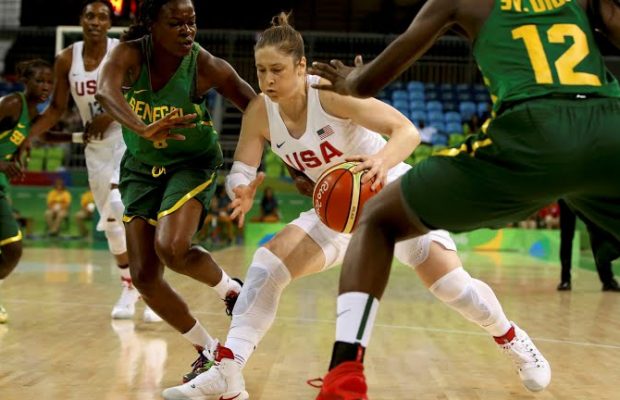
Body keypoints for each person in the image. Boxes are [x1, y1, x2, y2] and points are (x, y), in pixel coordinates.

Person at [162, 13, 549, 400]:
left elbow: (406, 131)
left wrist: (381, 162)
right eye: (261, 70)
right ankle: (228, 372)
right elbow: (242, 168)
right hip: (337, 213)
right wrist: (241, 187)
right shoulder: (260, 112)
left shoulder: (329, 95)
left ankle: (513, 338)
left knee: (452, 287)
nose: (268, 80)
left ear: (300, 66)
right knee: (266, 267)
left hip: (391, 197)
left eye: (277, 70)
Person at [307, 0, 620, 397]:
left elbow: (367, 85)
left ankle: (344, 378)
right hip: (610, 125)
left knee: (379, 217)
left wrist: (351, 78)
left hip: (533, 129)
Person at [95, 0, 256, 373]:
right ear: (152, 24)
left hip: (191, 162)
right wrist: (142, 127)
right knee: (144, 277)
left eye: (192, 22)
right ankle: (211, 348)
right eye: (176, 23)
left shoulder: (204, 65)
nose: (187, 30)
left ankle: (228, 290)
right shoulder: (129, 54)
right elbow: (105, 91)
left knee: (171, 247)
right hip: (140, 166)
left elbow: (256, 106)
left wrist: (258, 164)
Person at [28, 0, 159, 321]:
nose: (96, 21)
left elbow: (140, 93)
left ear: (109, 23)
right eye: (90, 15)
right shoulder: (66, 59)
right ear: (81, 20)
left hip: (128, 138)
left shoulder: (122, 51)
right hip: (94, 148)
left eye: (102, 16)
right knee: (112, 225)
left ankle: (153, 284)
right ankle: (131, 286)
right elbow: (57, 108)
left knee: (121, 204)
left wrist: (109, 114)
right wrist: (28, 137)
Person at [0, 59, 52, 323]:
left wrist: (80, 136)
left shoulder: (35, 116)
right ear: (26, 82)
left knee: (12, 250)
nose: (45, 86)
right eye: (39, 80)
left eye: (49, 82)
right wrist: (3, 163)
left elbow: (46, 136)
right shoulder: (11, 104)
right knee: (13, 248)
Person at [558, 199, 620, 292]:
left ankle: (607, 280)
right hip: (566, 196)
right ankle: (565, 280)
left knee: (597, 229)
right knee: (566, 235)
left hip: (583, 193)